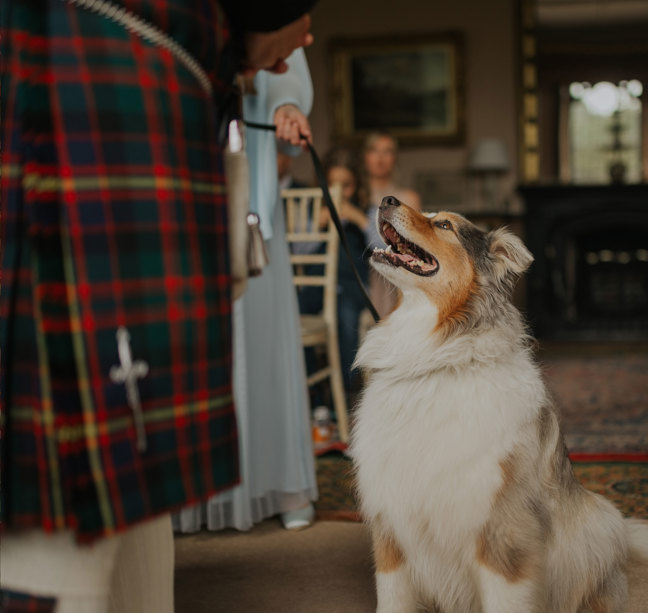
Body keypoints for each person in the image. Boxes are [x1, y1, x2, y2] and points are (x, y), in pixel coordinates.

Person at [0, 0, 317, 609]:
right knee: (68, 508)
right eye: (306, 16)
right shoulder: (84, 49)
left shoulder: (193, 54)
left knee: (135, 492)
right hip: (93, 97)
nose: (307, 35)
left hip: (150, 80)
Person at [174, 48, 319, 534]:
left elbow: (287, 73)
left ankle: (280, 483)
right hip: (180, 184)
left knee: (262, 345)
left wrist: (286, 107)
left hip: (251, 205)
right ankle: (185, 493)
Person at [296, 147, 371, 394]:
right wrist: (316, 225)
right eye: (332, 184)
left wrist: (360, 220)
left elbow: (383, 246)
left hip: (351, 289)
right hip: (315, 287)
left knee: (345, 318)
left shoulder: (365, 210)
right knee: (297, 314)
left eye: (346, 185)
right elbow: (298, 251)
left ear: (356, 186)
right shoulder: (313, 212)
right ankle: (314, 393)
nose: (338, 192)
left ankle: (347, 389)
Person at [362, 131, 422, 316]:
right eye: (374, 150)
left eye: (387, 151)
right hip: (360, 269)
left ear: (394, 158)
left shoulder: (408, 198)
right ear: (365, 156)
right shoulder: (355, 195)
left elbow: (414, 245)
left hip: (397, 271)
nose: (380, 158)